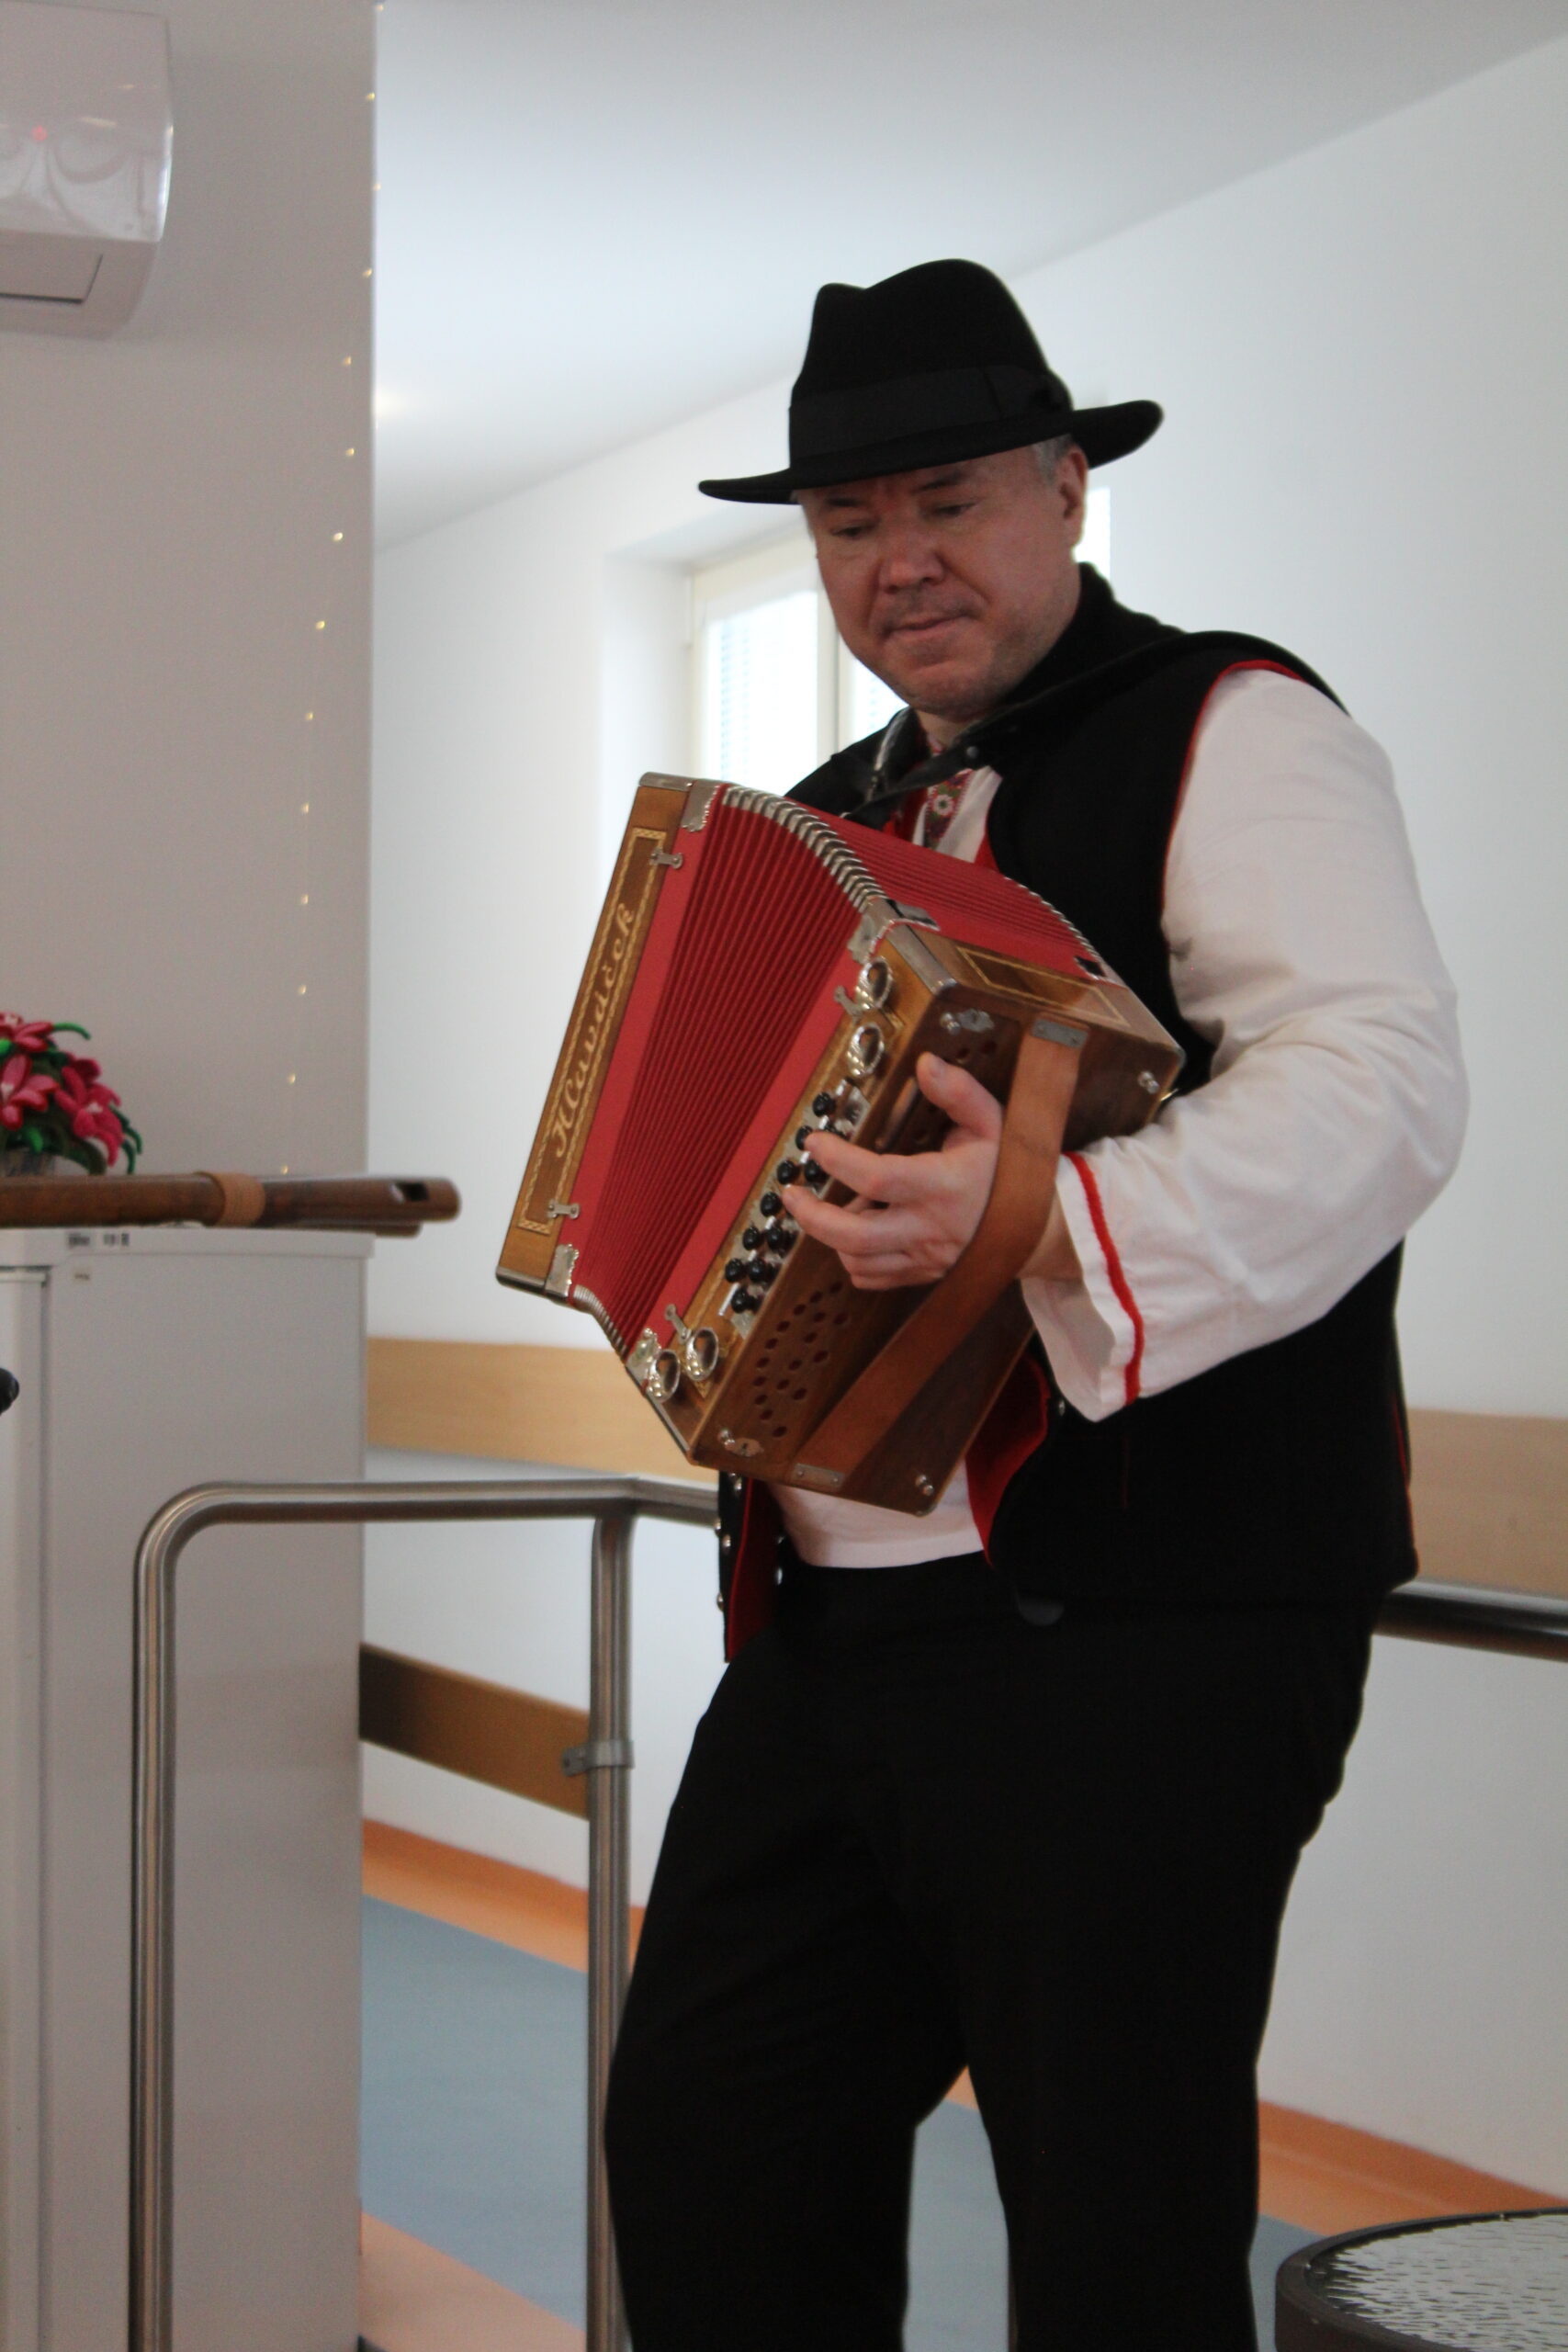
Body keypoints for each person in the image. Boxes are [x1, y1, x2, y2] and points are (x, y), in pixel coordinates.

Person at [603, 258, 1466, 2351]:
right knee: (713, 2150)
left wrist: (1043, 1219)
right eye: (847, 521)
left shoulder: (1233, 725)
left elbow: (1376, 1086)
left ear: (1067, 490)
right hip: (831, 1628)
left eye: (949, 501)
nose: (897, 561)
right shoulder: (824, 814)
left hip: (1144, 1619)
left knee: (1111, 2231)